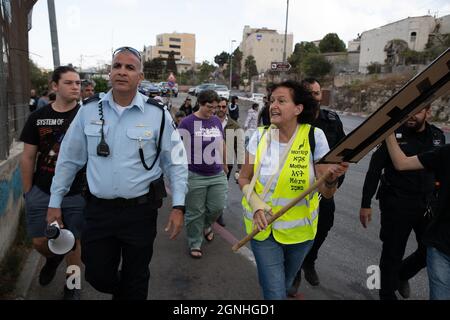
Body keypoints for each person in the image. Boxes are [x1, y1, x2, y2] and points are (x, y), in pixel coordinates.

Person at [47, 47, 188, 300]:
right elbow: (68, 159)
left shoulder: (158, 115)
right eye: (117, 66)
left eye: (130, 67)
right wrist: (54, 202)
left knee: (137, 276)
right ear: (110, 72)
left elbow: (175, 162)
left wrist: (179, 206)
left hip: (140, 213)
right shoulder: (88, 111)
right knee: (97, 275)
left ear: (140, 76)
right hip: (98, 211)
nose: (122, 71)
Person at [238, 80, 348, 300]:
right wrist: (257, 206)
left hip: (301, 234)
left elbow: (326, 193)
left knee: (286, 284)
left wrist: (332, 179)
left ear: (298, 108)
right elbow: (243, 178)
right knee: (275, 292)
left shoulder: (314, 137)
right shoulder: (259, 136)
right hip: (262, 230)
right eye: (271, 101)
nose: (273, 106)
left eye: (281, 101)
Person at [20, 66, 84, 300]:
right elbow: (27, 157)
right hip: (42, 189)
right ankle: (52, 258)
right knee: (39, 240)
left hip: (76, 192)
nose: (76, 87)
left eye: (78, 83)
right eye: (69, 83)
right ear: (55, 86)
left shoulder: (86, 116)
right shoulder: (37, 117)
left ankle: (73, 285)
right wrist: (28, 192)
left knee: (74, 242)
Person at [378, 107, 447, 300]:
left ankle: (401, 274)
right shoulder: (397, 134)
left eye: (418, 111)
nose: (412, 116)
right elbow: (389, 165)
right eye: (410, 111)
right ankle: (387, 292)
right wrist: (365, 203)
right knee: (393, 250)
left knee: (430, 251)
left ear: (428, 112)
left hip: (426, 205)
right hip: (398, 202)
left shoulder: (437, 137)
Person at [289, 78, 347, 294]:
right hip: (298, 188)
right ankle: (294, 271)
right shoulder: (293, 122)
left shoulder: (331, 120)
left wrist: (335, 183)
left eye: (317, 93)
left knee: (323, 227)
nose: (315, 97)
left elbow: (343, 152)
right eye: (310, 94)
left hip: (325, 189)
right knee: (296, 232)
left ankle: (309, 261)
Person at [178, 90, 228, 259]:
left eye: (215, 107)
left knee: (218, 207)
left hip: (216, 173)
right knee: (195, 211)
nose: (213, 111)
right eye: (209, 107)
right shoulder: (187, 122)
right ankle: (195, 242)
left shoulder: (215, 121)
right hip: (195, 175)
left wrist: (224, 163)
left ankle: (206, 226)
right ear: (200, 103)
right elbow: (179, 151)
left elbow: (220, 142)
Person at [214, 97, 245, 226]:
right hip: (208, 162)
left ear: (226, 108)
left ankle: (218, 214)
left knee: (222, 189)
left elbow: (240, 147)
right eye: (219, 107)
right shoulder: (207, 122)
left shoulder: (234, 125)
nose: (221, 109)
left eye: (223, 107)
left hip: (228, 163)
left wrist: (241, 168)